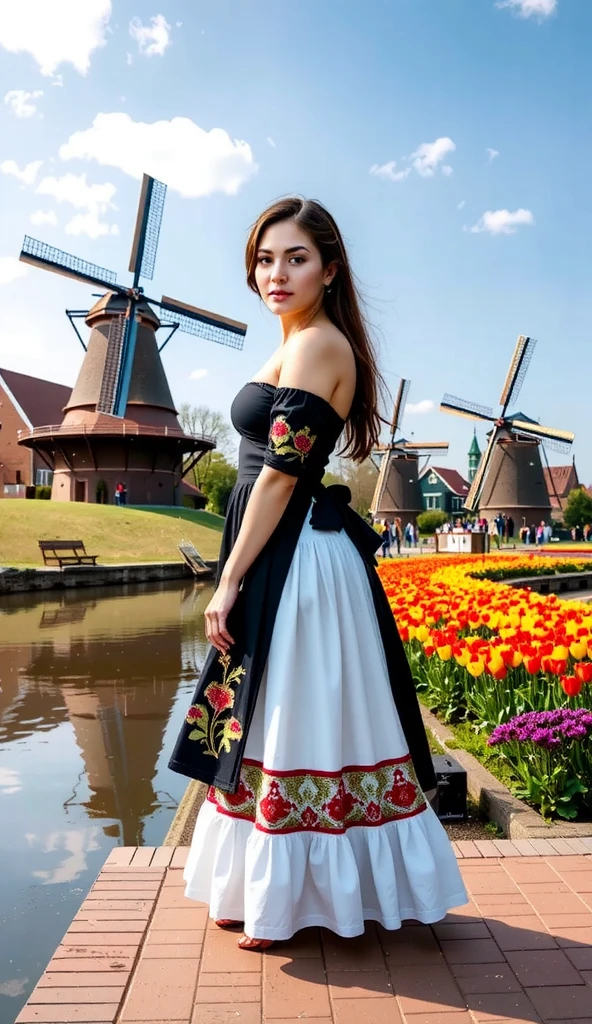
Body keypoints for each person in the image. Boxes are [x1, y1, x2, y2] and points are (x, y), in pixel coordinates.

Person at [169, 197, 467, 951]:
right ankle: (278, 886)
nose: (277, 272)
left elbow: (277, 475)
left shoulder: (318, 346)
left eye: (295, 257)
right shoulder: (297, 340)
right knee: (270, 711)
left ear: (330, 269)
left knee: (296, 710)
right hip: (282, 545)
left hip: (295, 552)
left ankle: (300, 893)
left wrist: (227, 577)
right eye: (265, 259)